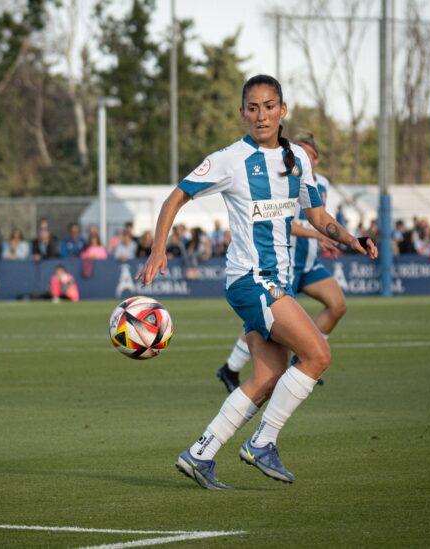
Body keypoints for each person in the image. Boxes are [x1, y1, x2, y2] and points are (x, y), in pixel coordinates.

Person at [136, 75, 377, 490]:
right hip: (251, 280)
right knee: (318, 355)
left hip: (273, 281)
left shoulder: (298, 159)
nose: (261, 115)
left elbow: (318, 217)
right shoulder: (230, 160)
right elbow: (175, 196)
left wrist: (352, 240)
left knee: (267, 377)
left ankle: (200, 454)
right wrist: (159, 249)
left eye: (269, 106)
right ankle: (262, 442)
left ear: (283, 110)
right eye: (253, 107)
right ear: (242, 113)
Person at [216, 132, 344, 394]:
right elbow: (287, 224)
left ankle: (304, 360)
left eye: (310, 154)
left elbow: (319, 217)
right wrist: (317, 234)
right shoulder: (282, 179)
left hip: (309, 263)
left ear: (316, 160)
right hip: (282, 264)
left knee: (337, 305)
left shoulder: (324, 184)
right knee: (270, 324)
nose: (304, 157)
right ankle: (230, 367)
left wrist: (333, 236)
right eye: (300, 151)